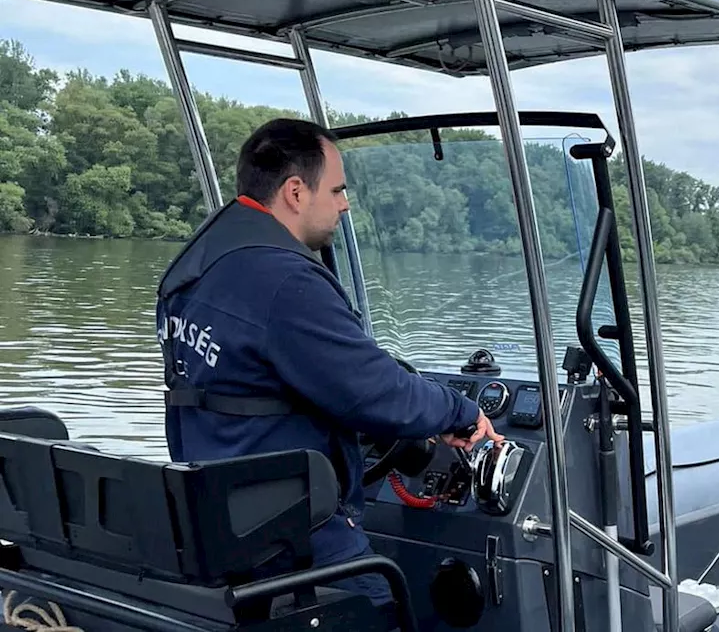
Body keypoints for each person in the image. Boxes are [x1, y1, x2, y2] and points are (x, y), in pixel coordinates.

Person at [154, 118, 502, 611]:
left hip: (216, 519)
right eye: (337, 190)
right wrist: (460, 413)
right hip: (293, 532)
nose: (345, 204)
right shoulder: (283, 281)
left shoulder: (194, 267)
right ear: (296, 191)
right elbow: (376, 392)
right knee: (380, 607)